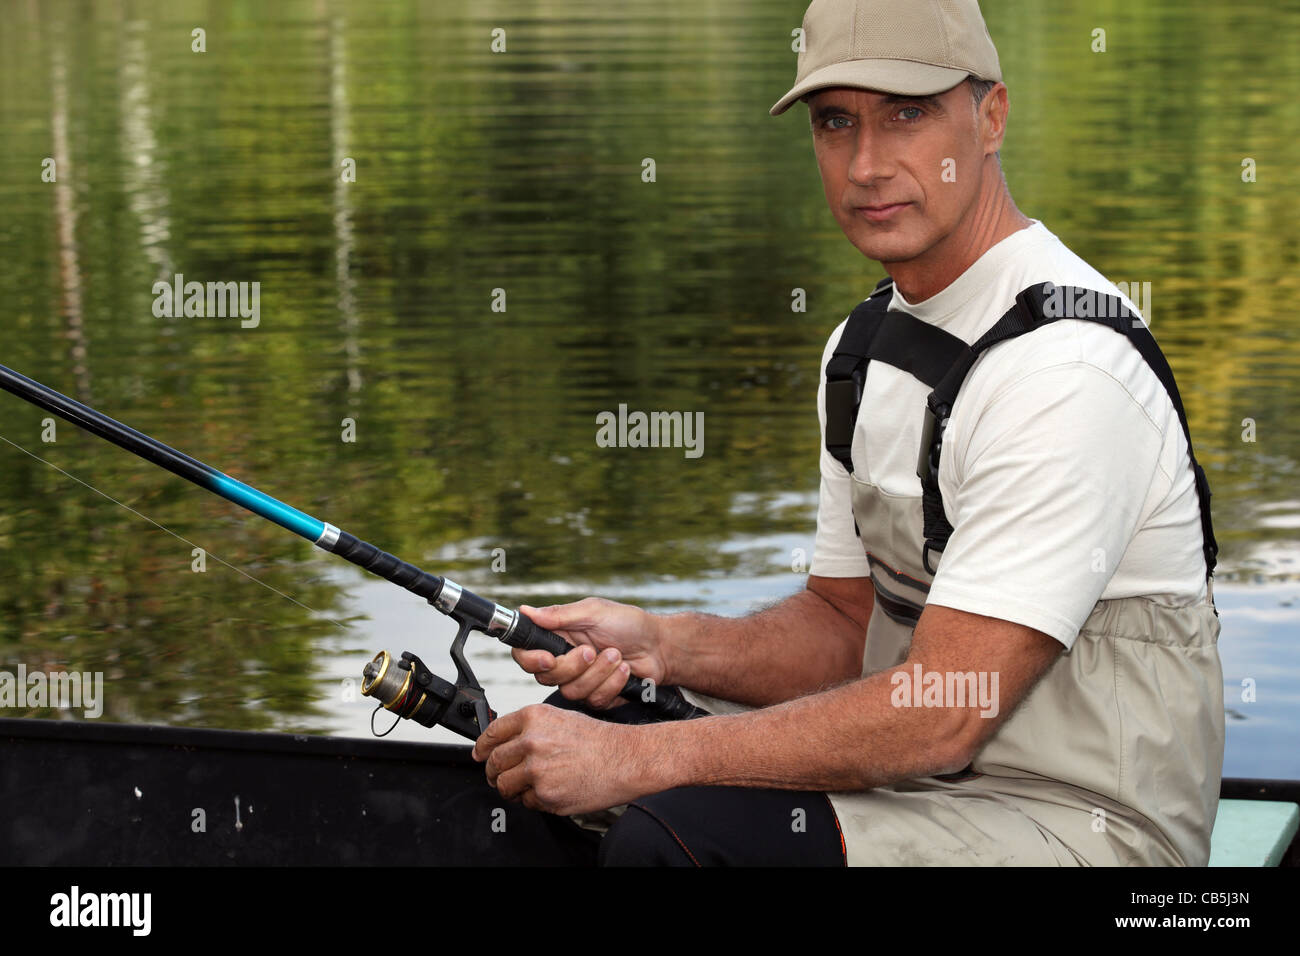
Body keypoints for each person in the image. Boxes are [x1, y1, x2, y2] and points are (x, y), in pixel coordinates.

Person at [472, 0, 1224, 866]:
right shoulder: (861, 350)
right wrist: (661, 647)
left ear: (991, 118)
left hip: (1085, 826)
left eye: (907, 115)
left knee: (670, 830)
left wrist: (644, 758)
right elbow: (844, 628)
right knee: (563, 735)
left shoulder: (1066, 373)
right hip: (920, 787)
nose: (867, 165)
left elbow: (943, 709)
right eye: (837, 124)